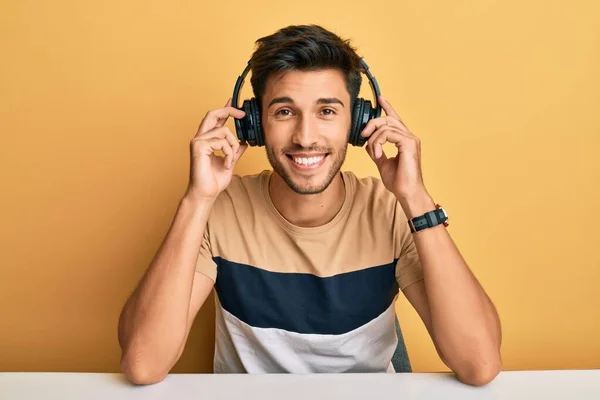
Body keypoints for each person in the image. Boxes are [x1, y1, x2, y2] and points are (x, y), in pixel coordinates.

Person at [117, 24, 502, 386]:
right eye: (284, 111)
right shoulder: (219, 209)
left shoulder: (391, 210)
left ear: (359, 123)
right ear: (253, 123)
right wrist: (195, 199)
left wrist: (415, 197)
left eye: (327, 111)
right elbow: (143, 364)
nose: (305, 137)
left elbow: (479, 364)